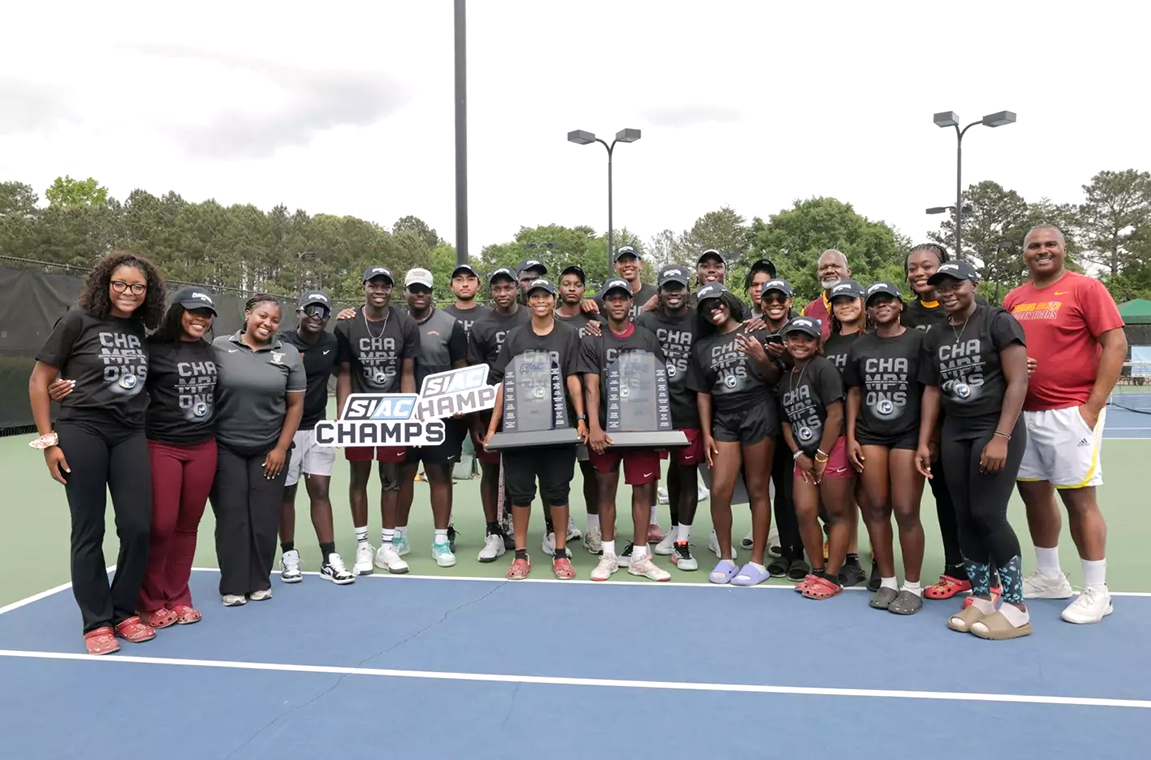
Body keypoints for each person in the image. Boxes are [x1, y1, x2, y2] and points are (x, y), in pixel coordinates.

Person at [29, 251, 166, 654]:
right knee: (89, 528)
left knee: (138, 525)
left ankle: (123, 611)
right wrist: (48, 442)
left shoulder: (139, 328)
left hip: (130, 433)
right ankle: (96, 621)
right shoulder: (77, 320)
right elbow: (39, 380)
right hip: (82, 430)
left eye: (138, 287)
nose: (128, 292)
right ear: (105, 284)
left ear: (148, 292)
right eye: (120, 284)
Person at [1004, 225, 1127, 624]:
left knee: (1079, 500)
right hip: (1024, 413)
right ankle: (1049, 577)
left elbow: (1115, 344)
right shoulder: (1014, 298)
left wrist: (1092, 407)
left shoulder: (1086, 288)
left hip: (1070, 412)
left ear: (1063, 249)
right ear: (1025, 253)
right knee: (1034, 496)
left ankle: (1097, 591)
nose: (1042, 251)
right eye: (1034, 246)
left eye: (1050, 244)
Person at [915, 260, 1032, 639]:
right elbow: (932, 390)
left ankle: (1016, 608)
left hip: (993, 427)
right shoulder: (935, 335)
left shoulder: (997, 321)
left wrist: (1001, 436)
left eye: (956, 284)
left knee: (988, 514)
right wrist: (926, 440)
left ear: (974, 284)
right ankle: (981, 599)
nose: (948, 292)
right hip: (955, 431)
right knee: (963, 515)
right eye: (941, 287)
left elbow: (1018, 381)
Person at [903, 243, 999, 604]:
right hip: (926, 423)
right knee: (945, 498)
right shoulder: (904, 314)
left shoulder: (979, 311)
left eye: (926, 266)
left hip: (969, 419)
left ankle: (989, 576)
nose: (918, 273)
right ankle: (957, 570)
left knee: (979, 504)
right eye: (912, 268)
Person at [483, 278, 588, 580]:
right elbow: (504, 383)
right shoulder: (515, 337)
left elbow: (572, 379)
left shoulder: (568, 335)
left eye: (546, 296)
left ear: (554, 300)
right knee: (520, 494)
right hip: (520, 429)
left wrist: (581, 418)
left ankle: (559, 553)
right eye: (535, 296)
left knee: (558, 491)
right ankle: (520, 554)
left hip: (558, 429)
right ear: (527, 301)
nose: (541, 301)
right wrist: (492, 427)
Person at [210, 294, 305, 606]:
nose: (268, 323)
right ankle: (233, 585)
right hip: (226, 448)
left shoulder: (288, 354)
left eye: (275, 320)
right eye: (262, 316)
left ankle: (260, 581)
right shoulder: (218, 347)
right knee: (231, 518)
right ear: (248, 314)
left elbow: (295, 406)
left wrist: (281, 448)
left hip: (270, 449)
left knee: (263, 519)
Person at [580, 278, 672, 582]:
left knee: (643, 491)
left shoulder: (647, 338)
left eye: (623, 297)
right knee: (605, 490)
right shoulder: (593, 339)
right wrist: (594, 426)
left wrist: (659, 430)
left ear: (632, 302)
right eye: (612, 298)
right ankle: (608, 555)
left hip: (641, 429)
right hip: (606, 429)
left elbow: (658, 384)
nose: (618, 302)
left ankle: (639, 557)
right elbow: (591, 385)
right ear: (605, 303)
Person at [689, 283, 780, 586]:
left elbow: (774, 376)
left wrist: (761, 356)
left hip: (758, 412)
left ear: (728, 302)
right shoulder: (702, 346)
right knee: (719, 490)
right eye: (705, 307)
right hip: (723, 420)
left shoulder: (756, 332)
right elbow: (703, 394)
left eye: (717, 303)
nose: (713, 310)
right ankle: (726, 558)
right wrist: (707, 434)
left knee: (758, 488)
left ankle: (756, 562)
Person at [845, 281, 927, 614]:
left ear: (899, 304)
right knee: (877, 508)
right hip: (870, 435)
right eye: (875, 301)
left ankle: (912, 586)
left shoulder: (918, 341)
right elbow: (854, 392)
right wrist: (851, 435)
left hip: (907, 435)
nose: (882, 305)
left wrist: (927, 439)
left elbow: (930, 390)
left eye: (887, 300)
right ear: (868, 308)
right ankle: (889, 581)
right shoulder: (861, 346)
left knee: (906, 510)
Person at [334, 266, 420, 575]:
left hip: (393, 413)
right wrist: (343, 415)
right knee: (358, 478)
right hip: (360, 413)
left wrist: (410, 413)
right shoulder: (346, 325)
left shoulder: (405, 324)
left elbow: (407, 372)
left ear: (392, 290)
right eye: (374, 285)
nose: (379, 290)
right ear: (364, 287)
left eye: (385, 285)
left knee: (391, 479)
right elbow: (344, 374)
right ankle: (362, 546)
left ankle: (387, 546)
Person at [277, 290, 353, 585]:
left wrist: (342, 414)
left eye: (323, 312)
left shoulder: (332, 342)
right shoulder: (282, 342)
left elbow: (343, 373)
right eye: (311, 309)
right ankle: (288, 554)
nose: (316, 316)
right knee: (286, 493)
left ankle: (329, 558)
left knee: (320, 490)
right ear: (299, 311)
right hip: (284, 430)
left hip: (319, 427)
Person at [395, 268, 469, 568]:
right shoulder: (393, 322)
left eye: (424, 289)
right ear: (405, 292)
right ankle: (398, 537)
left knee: (439, 476)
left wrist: (460, 399)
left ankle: (441, 540)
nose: (419, 294)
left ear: (431, 292)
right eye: (414, 288)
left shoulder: (450, 325)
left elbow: (460, 367)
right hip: (403, 416)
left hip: (441, 416)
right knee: (401, 476)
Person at [780, 316, 855, 600]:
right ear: (786, 342)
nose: (800, 343)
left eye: (807, 338)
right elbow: (785, 422)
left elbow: (836, 415)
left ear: (817, 343)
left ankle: (832, 577)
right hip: (805, 455)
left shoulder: (824, 369)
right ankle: (818, 571)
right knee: (804, 511)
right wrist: (798, 453)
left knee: (837, 513)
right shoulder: (787, 377)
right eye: (794, 338)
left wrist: (823, 455)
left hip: (832, 449)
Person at [639, 265, 705, 571]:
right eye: (668, 287)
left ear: (688, 290)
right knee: (660, 473)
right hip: (652, 412)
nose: (674, 292)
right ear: (660, 291)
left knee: (686, 471)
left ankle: (682, 542)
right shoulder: (646, 320)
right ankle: (672, 529)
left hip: (687, 408)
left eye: (679, 286)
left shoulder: (699, 320)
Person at [469, 267, 531, 560]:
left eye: (508, 287)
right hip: (491, 410)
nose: (503, 293)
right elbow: (475, 376)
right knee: (491, 470)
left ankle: (529, 527)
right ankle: (493, 529)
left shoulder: (531, 317)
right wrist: (477, 420)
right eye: (497, 288)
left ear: (517, 288)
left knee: (525, 470)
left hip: (530, 409)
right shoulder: (481, 326)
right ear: (490, 292)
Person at [818, 279, 868, 586]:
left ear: (862, 303)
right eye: (839, 302)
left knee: (871, 499)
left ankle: (881, 561)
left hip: (868, 427)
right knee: (844, 498)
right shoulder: (828, 343)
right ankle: (851, 558)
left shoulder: (871, 339)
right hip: (836, 428)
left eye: (851, 300)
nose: (845, 306)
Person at [757, 280, 806, 580]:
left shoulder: (801, 331)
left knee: (794, 491)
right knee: (779, 491)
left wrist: (786, 354)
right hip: (768, 419)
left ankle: (801, 552)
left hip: (800, 420)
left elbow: (811, 366)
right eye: (768, 298)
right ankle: (787, 550)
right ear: (761, 303)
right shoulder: (753, 331)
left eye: (780, 297)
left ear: (790, 301)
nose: (774, 302)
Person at [555, 264, 603, 554]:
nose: (571, 288)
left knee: (591, 471)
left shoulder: (594, 319)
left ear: (584, 290)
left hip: (589, 407)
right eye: (566, 283)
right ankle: (561, 524)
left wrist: (597, 315)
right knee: (558, 473)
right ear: (559, 288)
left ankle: (594, 528)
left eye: (577, 284)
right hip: (555, 408)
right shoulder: (547, 317)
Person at [802, 249, 851, 342]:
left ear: (848, 271)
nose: (829, 271)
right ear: (818, 274)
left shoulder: (863, 305)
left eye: (835, 266)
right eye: (823, 268)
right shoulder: (808, 312)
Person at [442, 263, 491, 340]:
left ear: (478, 286)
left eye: (470, 279)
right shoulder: (441, 316)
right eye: (459, 279)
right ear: (451, 286)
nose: (465, 284)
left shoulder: (490, 316)